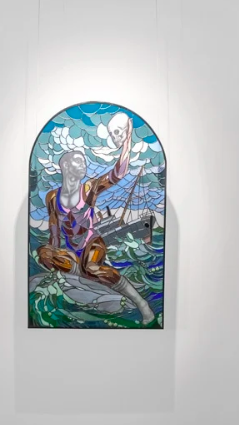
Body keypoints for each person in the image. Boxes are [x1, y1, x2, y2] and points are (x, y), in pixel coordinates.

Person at [38, 113, 156, 324]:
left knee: (92, 267)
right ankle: (79, 271)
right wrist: (53, 254)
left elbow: (117, 174)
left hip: (92, 243)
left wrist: (127, 141)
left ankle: (141, 303)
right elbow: (54, 233)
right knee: (44, 253)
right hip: (72, 251)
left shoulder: (89, 188)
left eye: (84, 161)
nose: (84, 164)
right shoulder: (53, 197)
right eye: (79, 161)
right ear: (66, 166)